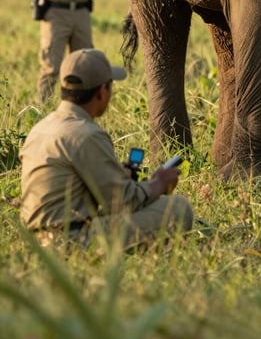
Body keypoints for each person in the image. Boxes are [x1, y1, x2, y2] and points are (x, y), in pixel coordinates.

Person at [20, 48, 193, 250]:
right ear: (103, 92)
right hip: (70, 241)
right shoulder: (87, 134)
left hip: (35, 240)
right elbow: (124, 201)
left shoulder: (41, 128)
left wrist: (115, 175)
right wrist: (158, 183)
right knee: (179, 208)